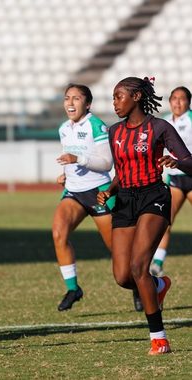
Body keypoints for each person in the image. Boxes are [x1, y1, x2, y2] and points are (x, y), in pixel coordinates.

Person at [98, 77, 192, 355]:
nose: (115, 103)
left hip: (154, 196)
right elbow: (120, 172)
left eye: (119, 97)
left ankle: (159, 339)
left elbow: (189, 160)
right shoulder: (114, 132)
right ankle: (159, 284)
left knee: (140, 267)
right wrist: (108, 190)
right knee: (123, 277)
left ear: (137, 97)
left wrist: (177, 163)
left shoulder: (160, 127)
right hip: (125, 201)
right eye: (114, 98)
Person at [52, 84, 114, 311]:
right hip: (74, 192)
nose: (70, 102)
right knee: (59, 233)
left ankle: (138, 286)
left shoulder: (96, 125)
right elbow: (71, 159)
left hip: (99, 192)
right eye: (67, 98)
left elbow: (107, 163)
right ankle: (73, 288)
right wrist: (65, 174)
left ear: (87, 104)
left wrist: (77, 159)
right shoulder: (64, 129)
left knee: (117, 250)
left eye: (76, 98)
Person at [150, 86, 192, 277]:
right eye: (174, 98)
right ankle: (157, 263)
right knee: (164, 221)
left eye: (181, 98)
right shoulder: (165, 121)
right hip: (175, 179)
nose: (177, 102)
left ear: (188, 102)